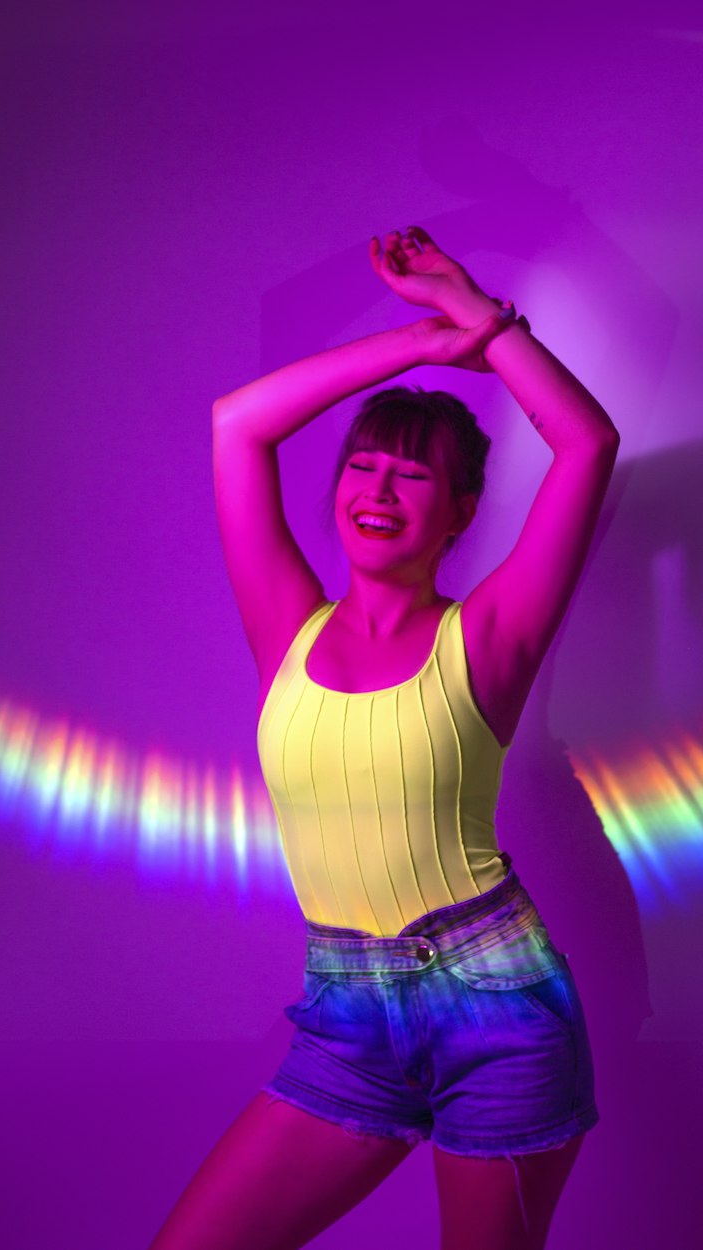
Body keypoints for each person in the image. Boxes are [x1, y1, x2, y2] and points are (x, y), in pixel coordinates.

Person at [148, 226, 620, 1250]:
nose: (376, 489)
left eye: (412, 477)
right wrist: (420, 340)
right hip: (346, 1013)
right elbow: (238, 425)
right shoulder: (288, 627)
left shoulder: (489, 636)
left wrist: (481, 318)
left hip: (498, 1007)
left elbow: (586, 443)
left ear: (457, 513)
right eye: (362, 466)